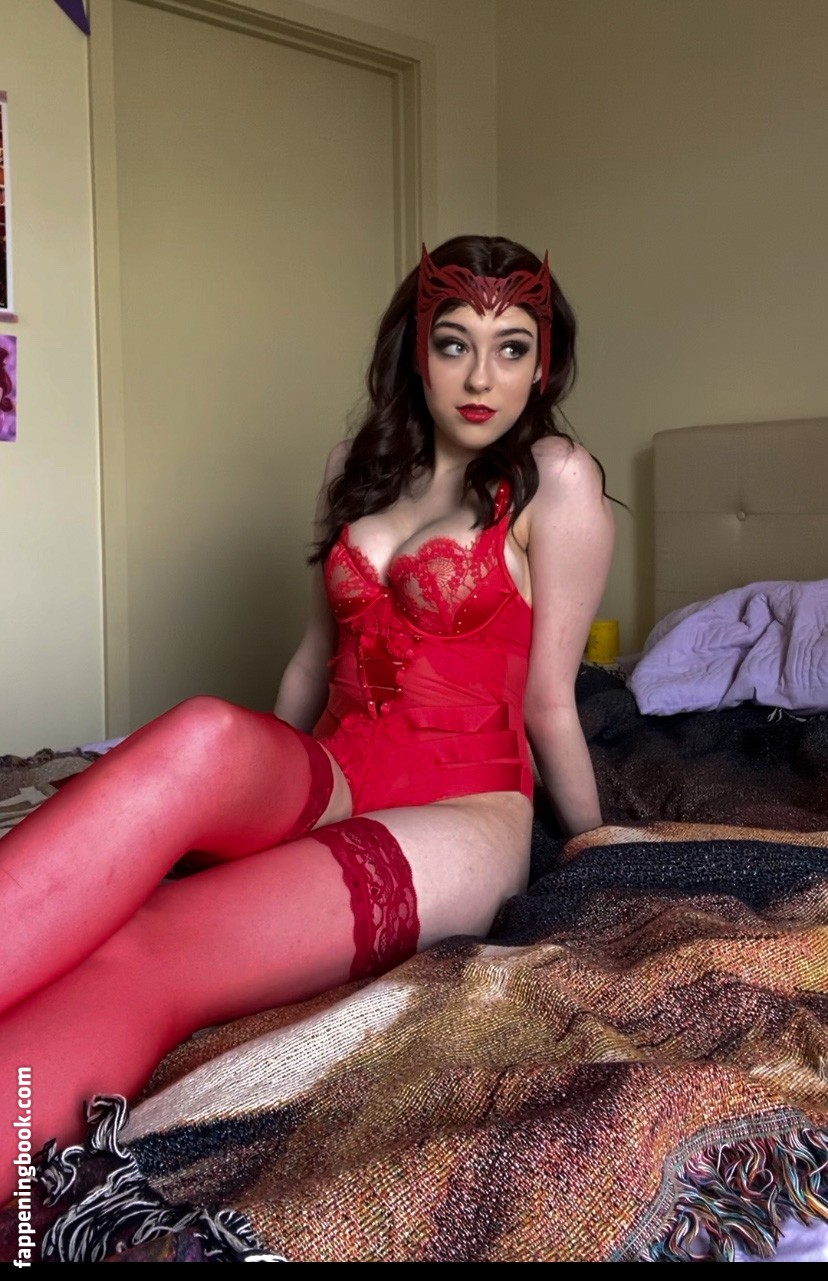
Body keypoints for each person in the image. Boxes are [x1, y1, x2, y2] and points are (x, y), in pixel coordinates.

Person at [0, 234, 614, 1199]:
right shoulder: (355, 469)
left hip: (460, 805)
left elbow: (549, 700)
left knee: (149, 942)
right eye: (454, 343)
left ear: (545, 364)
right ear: (417, 351)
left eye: (512, 348)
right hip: (335, 763)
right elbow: (309, 660)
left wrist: (597, 847)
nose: (481, 377)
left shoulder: (555, 477)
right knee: (202, 731)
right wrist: (231, 808)